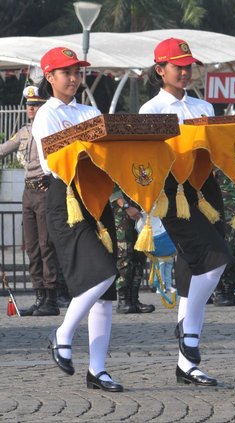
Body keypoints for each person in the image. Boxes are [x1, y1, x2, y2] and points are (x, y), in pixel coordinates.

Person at [139, 37, 233, 386]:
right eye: (177, 66)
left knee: (193, 269)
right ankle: (188, 329)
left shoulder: (204, 106)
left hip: (206, 191)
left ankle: (186, 365)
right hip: (172, 193)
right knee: (215, 259)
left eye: (188, 65)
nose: (184, 71)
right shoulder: (150, 112)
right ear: (160, 70)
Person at [32, 47, 123, 392]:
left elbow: (106, 152)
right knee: (103, 271)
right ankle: (62, 333)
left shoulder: (89, 110)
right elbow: (55, 159)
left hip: (96, 196)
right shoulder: (46, 114)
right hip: (66, 197)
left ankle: (97, 370)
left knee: (106, 292)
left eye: (76, 71)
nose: (73, 78)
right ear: (50, 78)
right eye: (65, 72)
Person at [0, 86, 61, 316]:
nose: (31, 109)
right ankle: (39, 296)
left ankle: (52, 298)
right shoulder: (24, 131)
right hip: (28, 193)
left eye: (36, 105)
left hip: (46, 191)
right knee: (32, 248)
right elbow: (4, 149)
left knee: (47, 247)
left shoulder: (51, 132)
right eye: (29, 105)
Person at [110, 187, 155, 314]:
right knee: (124, 254)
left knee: (139, 254)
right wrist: (125, 205)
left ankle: (134, 300)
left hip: (140, 206)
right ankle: (123, 300)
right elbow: (112, 183)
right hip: (121, 210)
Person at [212, 169, 235, 307]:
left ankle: (230, 290)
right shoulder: (218, 158)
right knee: (226, 249)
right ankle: (219, 292)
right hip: (224, 209)